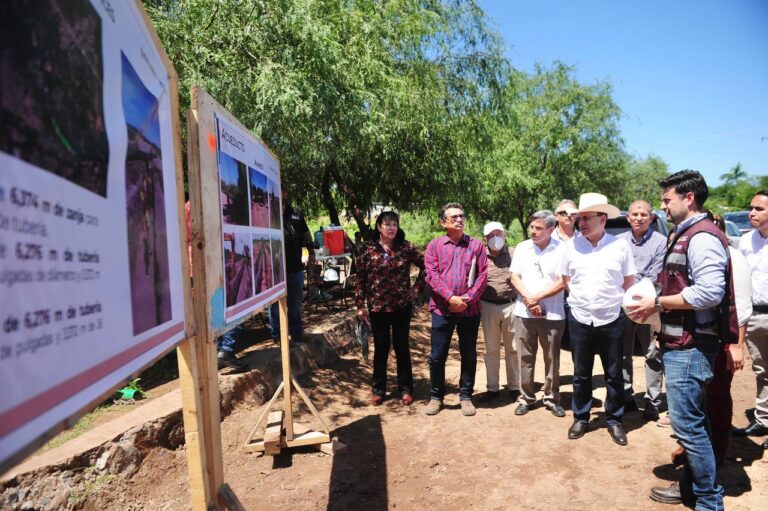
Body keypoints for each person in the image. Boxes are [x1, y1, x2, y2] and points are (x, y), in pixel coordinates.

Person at [628, 170, 736, 511]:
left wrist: (657, 303)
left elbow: (709, 292)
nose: (663, 205)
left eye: (666, 199)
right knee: (694, 423)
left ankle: (708, 502)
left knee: (688, 428)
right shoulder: (684, 233)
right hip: (680, 344)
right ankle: (694, 491)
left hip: (691, 348)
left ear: (688, 198)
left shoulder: (702, 237)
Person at [560, 193, 636, 446]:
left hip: (611, 318)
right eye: (579, 218)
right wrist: (583, 301)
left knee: (614, 373)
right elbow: (566, 280)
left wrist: (607, 301)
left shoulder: (620, 245)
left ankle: (614, 420)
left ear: (602, 219)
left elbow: (628, 282)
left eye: (586, 218)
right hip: (580, 317)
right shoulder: (571, 245)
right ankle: (581, 417)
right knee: (581, 373)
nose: (581, 223)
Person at [423, 202, 488, 416]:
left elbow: (482, 276)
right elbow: (431, 275)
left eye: (462, 216)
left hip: (469, 311)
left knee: (468, 354)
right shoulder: (434, 246)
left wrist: (466, 299)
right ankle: (436, 396)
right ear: (443, 222)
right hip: (442, 310)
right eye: (454, 217)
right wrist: (450, 298)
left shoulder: (476, 246)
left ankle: (466, 396)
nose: (459, 219)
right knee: (437, 355)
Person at [355, 211, 424, 406]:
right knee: (381, 348)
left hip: (402, 306)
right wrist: (360, 306)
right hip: (377, 308)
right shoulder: (367, 249)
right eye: (387, 224)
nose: (392, 227)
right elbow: (360, 279)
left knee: (402, 347)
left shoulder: (406, 247)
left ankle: (406, 389)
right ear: (379, 227)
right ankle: (378, 390)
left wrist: (416, 288)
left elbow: (426, 266)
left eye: (394, 224)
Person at [509, 210, 566, 417]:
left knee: (552, 358)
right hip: (524, 313)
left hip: (553, 314)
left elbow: (563, 281)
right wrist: (529, 300)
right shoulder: (523, 248)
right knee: (525, 357)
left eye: (538, 228)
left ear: (551, 229)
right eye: (532, 227)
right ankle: (527, 397)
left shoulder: (562, 250)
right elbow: (515, 277)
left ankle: (551, 398)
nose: (533, 231)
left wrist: (538, 297)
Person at [616, 200, 667, 420]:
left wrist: (631, 282)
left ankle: (652, 401)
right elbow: (615, 272)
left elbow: (655, 274)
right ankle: (626, 396)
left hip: (649, 305)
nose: (639, 218)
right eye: (635, 214)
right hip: (623, 306)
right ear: (628, 217)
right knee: (622, 353)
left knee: (652, 354)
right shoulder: (618, 242)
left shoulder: (661, 242)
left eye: (644, 214)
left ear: (652, 218)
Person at [734, 189, 768, 449]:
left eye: (758, 209)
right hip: (755, 315)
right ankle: (763, 420)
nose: (751, 212)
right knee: (762, 370)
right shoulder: (746, 241)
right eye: (752, 207)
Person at [477, 222, 519, 402]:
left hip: (512, 305)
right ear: (485, 238)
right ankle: (492, 388)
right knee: (491, 349)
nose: (496, 237)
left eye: (498, 233)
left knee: (513, 349)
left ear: (504, 235)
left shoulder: (514, 253)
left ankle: (515, 387)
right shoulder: (479, 255)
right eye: (491, 234)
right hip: (487, 306)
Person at [268, 191, 316, 341]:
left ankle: (296, 331)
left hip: (295, 267)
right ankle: (277, 335)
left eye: (279, 189)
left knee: (295, 302)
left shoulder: (296, 213)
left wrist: (311, 252)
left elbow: (306, 235)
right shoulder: (267, 211)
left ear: (286, 194)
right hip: (274, 270)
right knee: (275, 306)